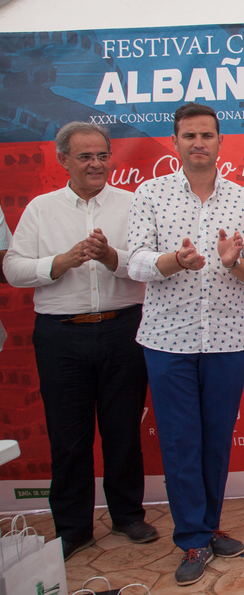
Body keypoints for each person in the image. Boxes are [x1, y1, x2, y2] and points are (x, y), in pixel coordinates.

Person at [127, 103, 244, 585]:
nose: (198, 143)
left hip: (228, 339)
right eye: (188, 135)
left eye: (206, 135)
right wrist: (174, 261)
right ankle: (191, 539)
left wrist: (234, 263)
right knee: (179, 440)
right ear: (175, 142)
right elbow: (135, 261)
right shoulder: (150, 193)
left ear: (219, 141)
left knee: (215, 438)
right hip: (167, 339)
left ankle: (210, 529)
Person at [4, 122, 155, 560]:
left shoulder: (133, 204)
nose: (96, 164)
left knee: (123, 430)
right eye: (85, 156)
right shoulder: (41, 209)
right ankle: (73, 528)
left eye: (102, 155)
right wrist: (60, 262)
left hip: (123, 328)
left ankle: (128, 516)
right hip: (60, 336)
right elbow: (13, 269)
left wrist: (114, 259)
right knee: (68, 438)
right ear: (63, 160)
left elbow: (148, 265)